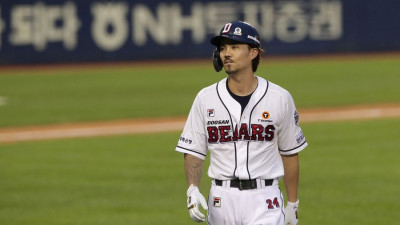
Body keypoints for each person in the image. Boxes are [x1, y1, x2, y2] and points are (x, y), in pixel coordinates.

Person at [176, 21, 308, 225]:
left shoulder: (279, 97)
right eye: (222, 48)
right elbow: (194, 149)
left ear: (253, 53)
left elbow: (290, 152)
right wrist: (192, 188)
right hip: (221, 200)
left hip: (265, 200)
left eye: (234, 47)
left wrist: (292, 203)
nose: (226, 53)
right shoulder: (205, 98)